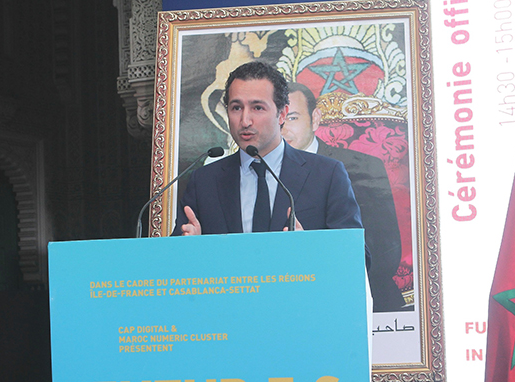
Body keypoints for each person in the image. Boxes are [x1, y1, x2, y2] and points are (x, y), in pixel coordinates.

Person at [172, 62, 367, 259]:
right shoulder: (204, 181)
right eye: (236, 108)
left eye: (257, 108)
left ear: (282, 114)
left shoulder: (326, 175)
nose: (245, 121)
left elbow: (357, 258)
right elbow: (174, 260)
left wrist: (309, 249)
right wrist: (190, 248)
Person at [282, 82, 405, 311]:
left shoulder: (362, 168)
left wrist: (311, 251)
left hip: (357, 301)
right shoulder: (259, 170)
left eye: (292, 118)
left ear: (315, 119)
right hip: (284, 303)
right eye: (278, 119)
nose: (283, 128)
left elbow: (385, 255)